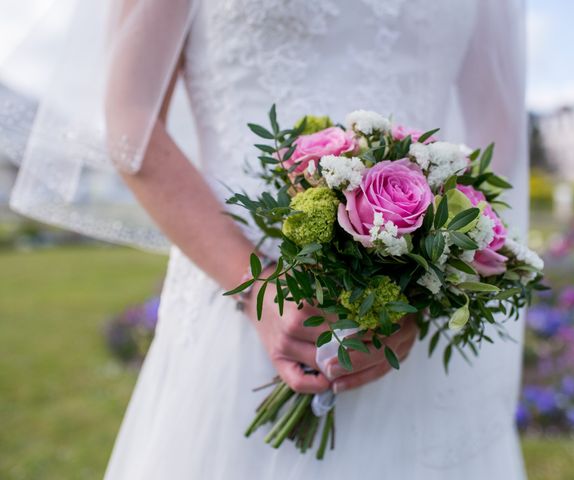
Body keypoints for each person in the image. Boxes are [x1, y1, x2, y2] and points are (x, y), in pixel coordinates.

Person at [5, 1, 529, 478]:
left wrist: (418, 292)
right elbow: (131, 123)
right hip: (234, 295)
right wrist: (258, 288)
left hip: (405, 332)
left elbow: (494, 143)